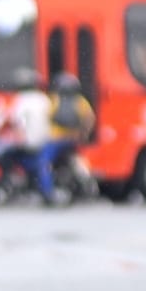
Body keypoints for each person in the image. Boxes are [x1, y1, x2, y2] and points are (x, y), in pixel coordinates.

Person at [43, 71, 96, 206]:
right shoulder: (81, 101)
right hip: (73, 140)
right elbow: (89, 119)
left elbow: (46, 117)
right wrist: (83, 135)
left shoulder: (54, 100)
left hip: (56, 141)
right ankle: (87, 185)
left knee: (44, 163)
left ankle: (48, 191)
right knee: (78, 161)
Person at [7, 67, 54, 194]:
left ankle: (17, 182)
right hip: (47, 140)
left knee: (8, 155)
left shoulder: (21, 100)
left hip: (30, 142)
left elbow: (17, 122)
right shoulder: (43, 99)